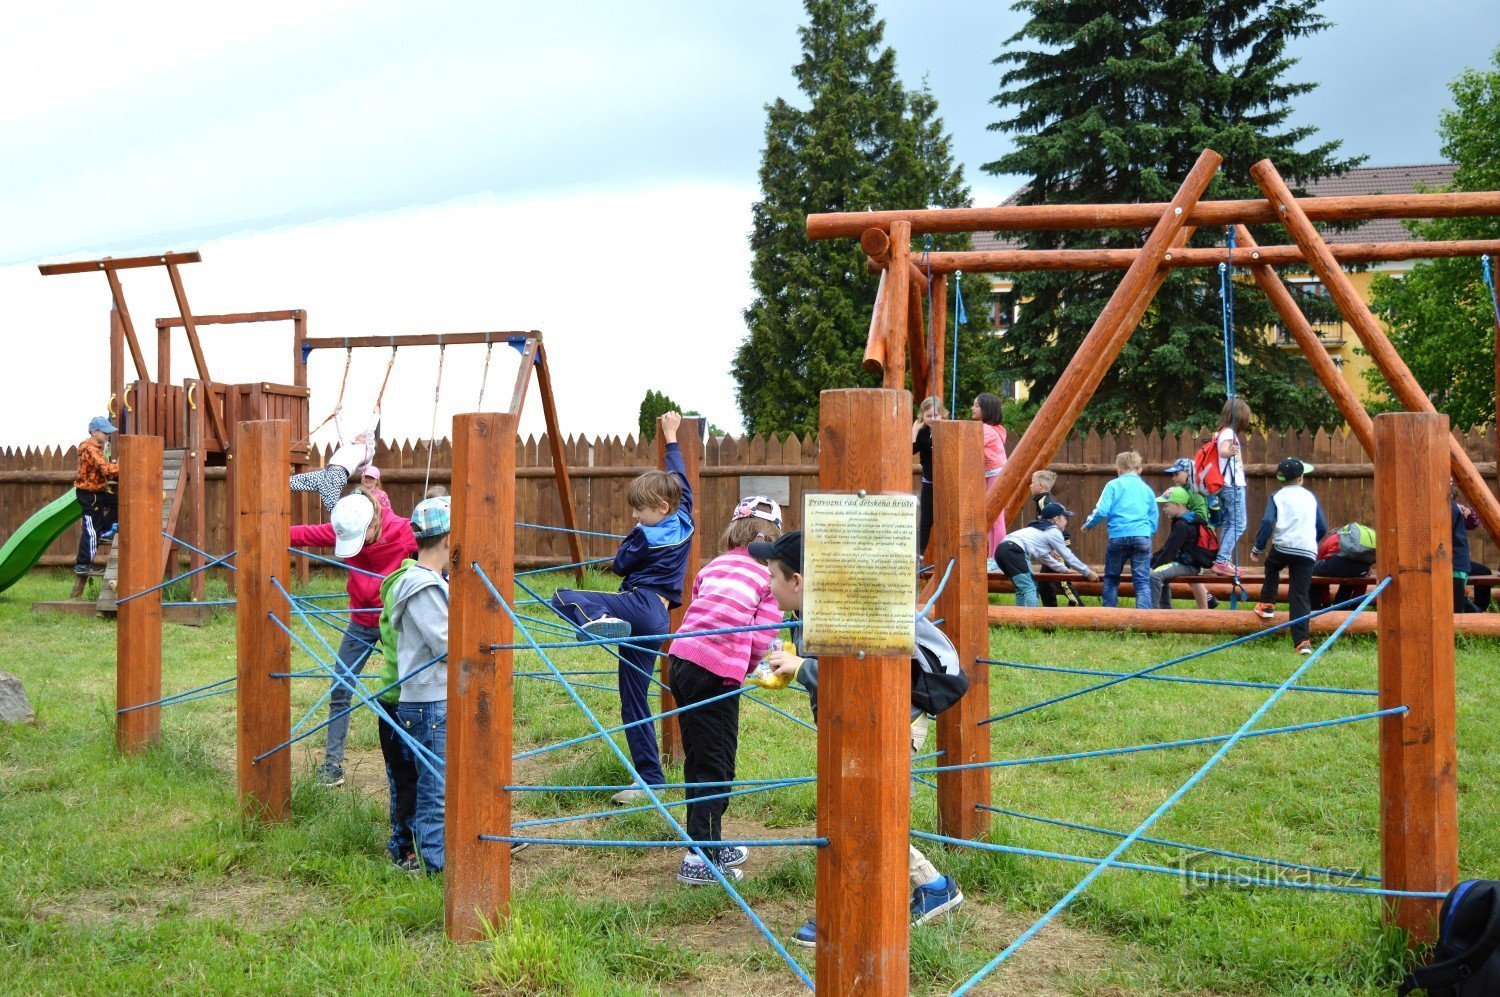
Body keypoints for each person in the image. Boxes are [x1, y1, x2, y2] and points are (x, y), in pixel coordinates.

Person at [749, 531, 965, 948]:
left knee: (862, 813)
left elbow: (863, 680)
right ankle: (928, 888)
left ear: (797, 580)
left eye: (773, 575)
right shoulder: (811, 611)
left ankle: (852, 910)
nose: (767, 584)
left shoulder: (840, 610)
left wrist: (801, 668)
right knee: (863, 810)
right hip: (858, 723)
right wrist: (794, 669)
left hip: (889, 722)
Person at [552, 411, 693, 804]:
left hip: (638, 605)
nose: (635, 516)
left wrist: (635, 534)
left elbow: (620, 564)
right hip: (659, 618)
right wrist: (671, 439)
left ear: (662, 507)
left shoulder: (645, 537)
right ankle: (650, 780)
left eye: (640, 511)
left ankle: (600, 619)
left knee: (563, 596)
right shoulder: (685, 516)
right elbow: (681, 477)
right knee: (633, 700)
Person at [662, 496, 784, 886]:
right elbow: (764, 634)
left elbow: (700, 606)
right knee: (717, 763)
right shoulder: (770, 577)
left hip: (680, 661)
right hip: (714, 672)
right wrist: (748, 670)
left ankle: (706, 839)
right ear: (773, 539)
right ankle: (700, 857)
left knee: (697, 758)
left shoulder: (713, 565)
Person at [290, 488, 417, 787]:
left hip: (393, 622)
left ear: (374, 522)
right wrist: (262, 530)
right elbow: (304, 534)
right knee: (340, 688)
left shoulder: (403, 531)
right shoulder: (346, 525)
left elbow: (442, 541)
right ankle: (332, 765)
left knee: (408, 691)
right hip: (359, 622)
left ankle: (413, 761)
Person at [387, 498, 452, 874]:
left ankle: (439, 855)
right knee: (434, 790)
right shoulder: (423, 588)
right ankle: (434, 865)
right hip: (428, 703)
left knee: (439, 784)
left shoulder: (429, 583)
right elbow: (445, 644)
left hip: (432, 700)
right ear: (447, 538)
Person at [1250, 458, 1326, 655]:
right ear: (1301, 477)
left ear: (1280, 478)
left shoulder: (1277, 496)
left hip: (1283, 547)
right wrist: (1310, 540)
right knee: (1300, 595)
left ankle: (1267, 604)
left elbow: (1267, 522)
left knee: (1272, 566)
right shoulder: (1310, 497)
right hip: (1307, 550)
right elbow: (1322, 526)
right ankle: (1302, 642)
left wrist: (1258, 547)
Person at [1083, 452, 1160, 608]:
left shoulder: (1113, 485)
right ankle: (1143, 621)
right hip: (1141, 536)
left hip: (1118, 536)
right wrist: (1147, 532)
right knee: (1142, 581)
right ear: (1140, 470)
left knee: (1111, 578)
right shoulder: (1146, 489)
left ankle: (1110, 618)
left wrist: (1089, 524)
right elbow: (1154, 516)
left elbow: (1102, 510)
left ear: (1118, 469)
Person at [994, 502, 1097, 607]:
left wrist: (1064, 570)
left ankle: (1020, 620)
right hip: (1014, 550)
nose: (1066, 521)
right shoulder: (1053, 531)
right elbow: (1068, 556)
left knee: (1021, 588)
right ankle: (1031, 620)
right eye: (1064, 517)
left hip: (1000, 551)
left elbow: (1045, 558)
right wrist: (1087, 572)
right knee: (1029, 588)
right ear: (1056, 519)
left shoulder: (1039, 528)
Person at [290, 411, 379, 513]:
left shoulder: (368, 451)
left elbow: (370, 433)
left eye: (362, 436)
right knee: (292, 481)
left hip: (337, 475)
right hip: (326, 474)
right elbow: (342, 434)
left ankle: (346, 521)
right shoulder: (348, 446)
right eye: (359, 434)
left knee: (334, 509)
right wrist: (337, 414)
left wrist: (376, 415)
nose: (358, 436)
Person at [1148, 487, 1216, 609]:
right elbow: (1167, 548)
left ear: (1178, 504)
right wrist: (1152, 560)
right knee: (1158, 570)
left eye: (1166, 505)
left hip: (1188, 566)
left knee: (1154, 575)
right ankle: (1165, 610)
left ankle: (1152, 612)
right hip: (1183, 564)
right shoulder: (1182, 521)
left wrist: (1153, 566)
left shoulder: (1183, 525)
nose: (1164, 509)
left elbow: (1170, 552)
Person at [1211, 398, 1252, 577]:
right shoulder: (1228, 433)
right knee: (1239, 523)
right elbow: (1223, 451)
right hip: (1232, 484)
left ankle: (1223, 559)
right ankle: (1221, 561)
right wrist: (1232, 451)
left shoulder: (1222, 432)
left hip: (1227, 485)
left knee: (1230, 523)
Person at [73, 415, 120, 575]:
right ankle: (83, 564)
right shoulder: (91, 449)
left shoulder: (98, 447)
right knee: (91, 529)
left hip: (97, 492)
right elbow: (106, 469)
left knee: (121, 502)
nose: (108, 435)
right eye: (105, 432)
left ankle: (105, 528)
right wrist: (127, 467)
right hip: (89, 494)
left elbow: (105, 469)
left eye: (109, 432)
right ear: (94, 431)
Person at [1029, 470, 1083, 607]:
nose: (1030, 486)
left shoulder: (1045, 502)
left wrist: (1054, 548)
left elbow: (1054, 525)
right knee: (1044, 581)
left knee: (1062, 580)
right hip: (1053, 544)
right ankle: (1050, 612)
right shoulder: (1041, 500)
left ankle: (1079, 607)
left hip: (1059, 545)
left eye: (1032, 482)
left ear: (1040, 485)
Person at [972, 393, 1008, 568]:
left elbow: (970, 447)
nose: (973, 408)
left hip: (995, 474)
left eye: (977, 406)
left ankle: (997, 558)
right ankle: (993, 557)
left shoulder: (985, 430)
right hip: (993, 474)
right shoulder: (997, 428)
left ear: (986, 409)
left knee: (996, 518)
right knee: (992, 517)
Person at [1309, 524, 1374, 610]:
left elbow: (1319, 577)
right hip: (1359, 569)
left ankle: (1315, 608)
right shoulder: (1360, 546)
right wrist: (1356, 605)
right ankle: (1341, 607)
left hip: (1334, 564)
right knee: (1351, 577)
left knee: (1311, 570)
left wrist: (1326, 602)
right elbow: (1362, 581)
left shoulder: (1332, 538)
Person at [912, 397, 945, 557]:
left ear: (942, 415)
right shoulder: (923, 433)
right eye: (929, 416)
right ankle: (920, 554)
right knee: (926, 520)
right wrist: (914, 431)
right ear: (922, 416)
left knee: (945, 518)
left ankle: (947, 552)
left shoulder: (947, 430)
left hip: (946, 483)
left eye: (936, 415)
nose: (933, 419)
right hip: (929, 481)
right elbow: (910, 451)